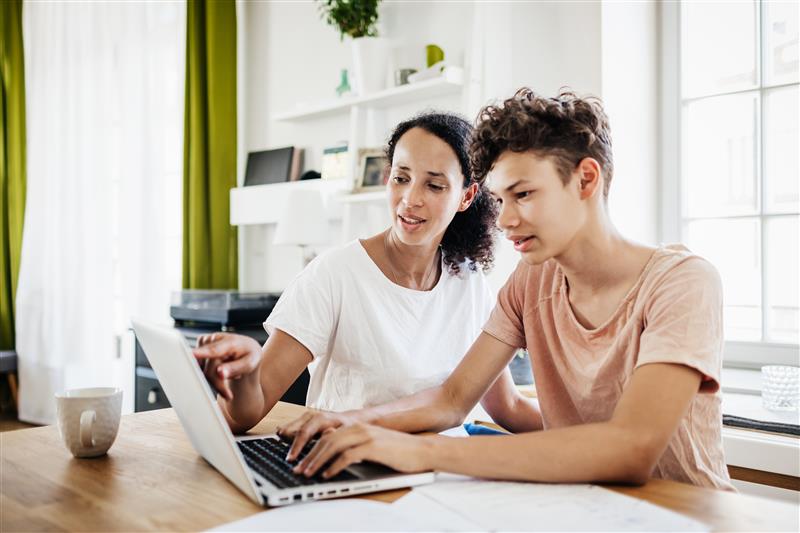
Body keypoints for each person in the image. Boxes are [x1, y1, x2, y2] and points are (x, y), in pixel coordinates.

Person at [278, 89, 735, 491]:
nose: (504, 220)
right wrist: (348, 423)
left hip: (683, 512)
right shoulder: (530, 281)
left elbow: (631, 449)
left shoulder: (683, 283)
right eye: (500, 199)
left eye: (524, 195)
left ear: (586, 179)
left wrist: (420, 451)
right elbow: (453, 398)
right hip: (583, 504)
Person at [193, 112, 530, 434]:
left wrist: (581, 432)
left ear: (466, 196)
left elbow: (508, 406)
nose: (410, 199)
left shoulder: (468, 281)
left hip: (446, 472)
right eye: (401, 178)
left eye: (435, 186)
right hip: (351, 467)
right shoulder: (334, 275)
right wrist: (246, 375)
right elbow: (246, 412)